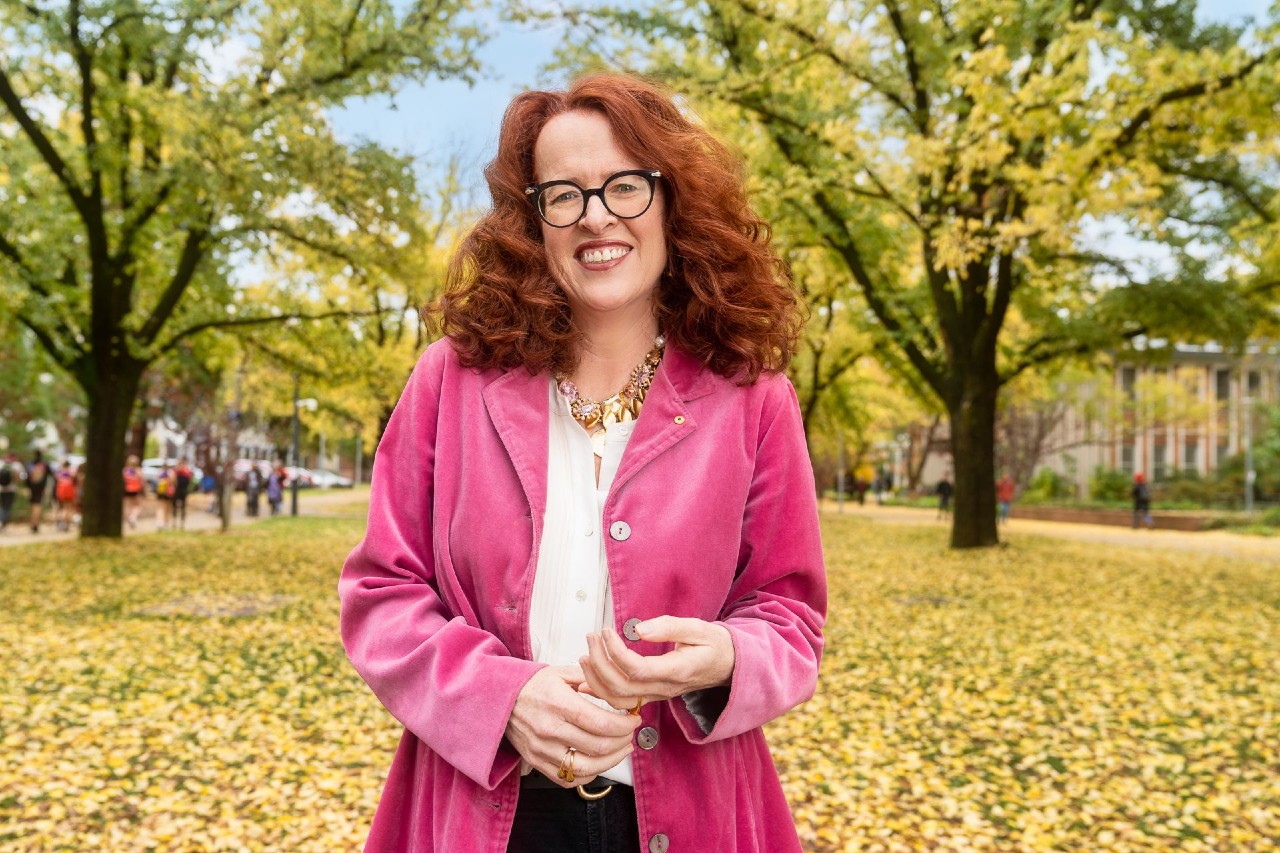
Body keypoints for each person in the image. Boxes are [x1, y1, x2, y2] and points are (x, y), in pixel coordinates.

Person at [339, 74, 826, 853]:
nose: (596, 216)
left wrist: (729, 657)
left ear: (671, 201)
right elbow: (380, 595)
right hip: (482, 816)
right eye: (563, 195)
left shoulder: (754, 398)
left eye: (625, 186)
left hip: (692, 816)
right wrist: (503, 696)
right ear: (534, 222)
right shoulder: (450, 379)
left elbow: (790, 620)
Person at [25, 450, 50, 533]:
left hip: (32, 488)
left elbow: (27, 477)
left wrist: (27, 487)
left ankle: (32, 524)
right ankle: (36, 524)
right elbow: (50, 475)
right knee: (38, 506)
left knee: (32, 506)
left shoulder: (30, 464)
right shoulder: (45, 464)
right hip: (41, 488)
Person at [0, 451, 24, 532]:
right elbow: (21, 478)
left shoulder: (1, 463)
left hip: (1, 489)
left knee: (3, 506)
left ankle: (3, 525)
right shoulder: (17, 465)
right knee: (7, 507)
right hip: (11, 489)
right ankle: (2, 522)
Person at [53, 460, 78, 531]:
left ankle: (62, 524)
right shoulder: (71, 471)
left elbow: (57, 479)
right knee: (69, 508)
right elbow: (75, 479)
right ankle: (67, 525)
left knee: (63, 508)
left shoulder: (60, 472)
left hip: (62, 491)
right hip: (70, 491)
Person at [123, 455, 145, 529]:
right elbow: (142, 481)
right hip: (136, 490)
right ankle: (133, 517)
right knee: (138, 505)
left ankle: (129, 518)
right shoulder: (138, 471)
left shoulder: (125, 471)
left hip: (127, 490)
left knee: (127, 506)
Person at [171, 458, 193, 530]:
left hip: (182, 491)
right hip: (179, 491)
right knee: (176, 507)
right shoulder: (178, 472)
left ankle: (180, 522)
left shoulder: (184, 472)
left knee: (181, 507)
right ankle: (176, 522)